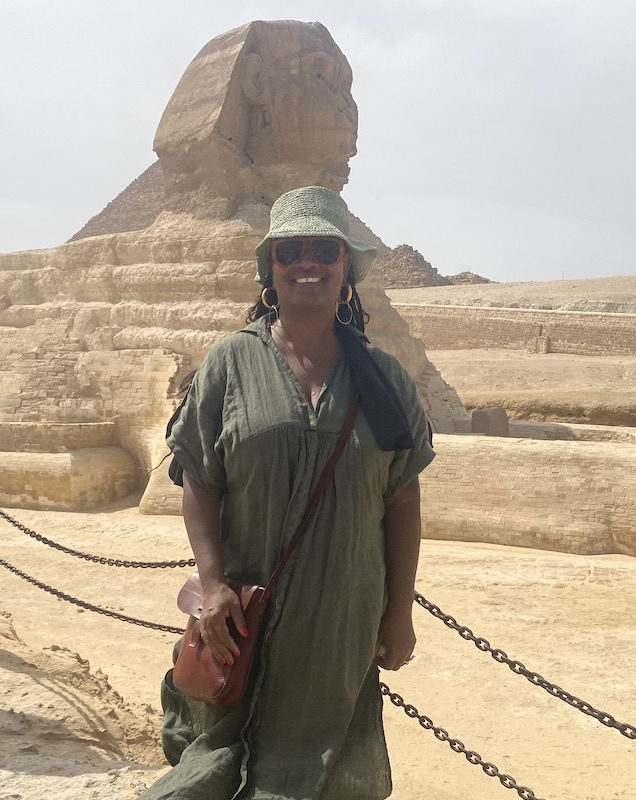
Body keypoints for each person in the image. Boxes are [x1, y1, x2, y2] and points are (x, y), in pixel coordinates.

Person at [144, 187, 435, 799]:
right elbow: (197, 477)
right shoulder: (229, 363)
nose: (309, 263)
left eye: (325, 249)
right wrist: (214, 581)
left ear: (347, 267)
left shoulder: (383, 380)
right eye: (290, 250)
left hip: (339, 621)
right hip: (246, 615)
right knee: (223, 758)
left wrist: (399, 612)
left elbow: (402, 502)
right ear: (270, 269)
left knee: (323, 762)